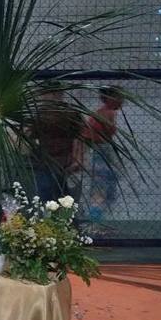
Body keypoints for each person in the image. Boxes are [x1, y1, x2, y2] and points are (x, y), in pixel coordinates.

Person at [28, 89, 83, 202]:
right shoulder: (41, 113)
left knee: (63, 196)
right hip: (44, 161)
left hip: (64, 161)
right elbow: (32, 135)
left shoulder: (70, 112)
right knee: (45, 193)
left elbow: (79, 137)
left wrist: (78, 158)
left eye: (46, 94)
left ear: (57, 95)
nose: (43, 98)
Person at [82, 87, 124, 222]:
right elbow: (89, 136)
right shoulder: (107, 114)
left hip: (101, 152)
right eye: (119, 97)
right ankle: (95, 221)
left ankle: (97, 220)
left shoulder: (100, 113)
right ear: (111, 98)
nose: (122, 101)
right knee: (100, 190)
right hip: (101, 153)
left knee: (102, 190)